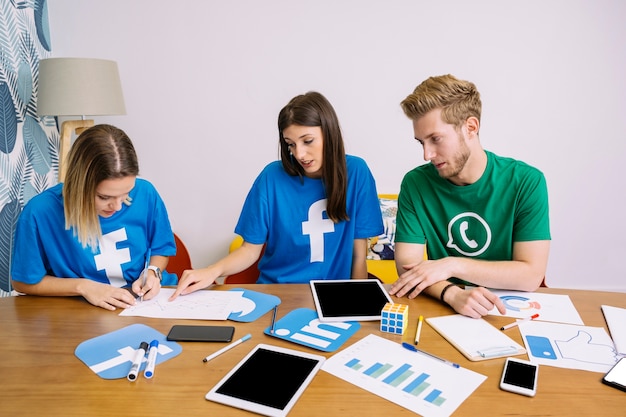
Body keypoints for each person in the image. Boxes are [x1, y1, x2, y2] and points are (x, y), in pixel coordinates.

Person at [170, 91, 383, 299]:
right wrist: (212, 271)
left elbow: (358, 255)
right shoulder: (271, 177)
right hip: (278, 294)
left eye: (307, 141)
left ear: (330, 133)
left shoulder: (356, 172)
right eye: (290, 144)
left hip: (332, 297)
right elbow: (249, 251)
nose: (299, 154)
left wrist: (357, 306)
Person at [388, 75, 551, 318]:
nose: (427, 154)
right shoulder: (416, 183)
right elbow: (407, 267)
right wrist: (451, 294)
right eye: (421, 142)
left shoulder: (526, 181)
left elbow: (530, 275)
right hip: (443, 305)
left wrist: (452, 264)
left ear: (470, 128)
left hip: (511, 309)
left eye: (436, 139)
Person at [11, 124, 177, 311]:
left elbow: (161, 248)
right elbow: (23, 282)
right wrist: (84, 287)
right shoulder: (39, 213)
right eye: (104, 197)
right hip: (81, 312)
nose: (117, 206)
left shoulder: (146, 192)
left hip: (147, 304)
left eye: (126, 193)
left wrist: (153, 272)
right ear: (79, 184)